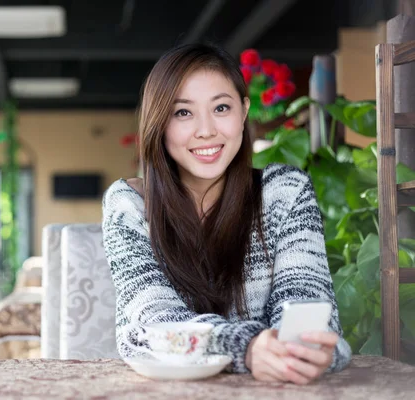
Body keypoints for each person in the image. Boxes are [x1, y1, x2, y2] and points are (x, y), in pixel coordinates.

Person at [101, 42, 352, 385]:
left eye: (221, 108)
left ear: (244, 111)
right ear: (159, 122)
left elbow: (311, 315)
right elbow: (153, 325)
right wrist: (248, 348)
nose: (206, 130)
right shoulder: (130, 204)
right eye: (183, 113)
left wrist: (301, 352)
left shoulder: (286, 192)